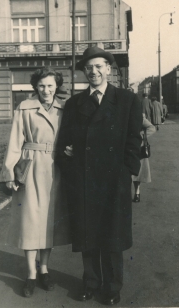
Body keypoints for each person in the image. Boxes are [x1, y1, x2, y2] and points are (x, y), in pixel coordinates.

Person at [56, 46, 142, 305]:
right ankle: (90, 282)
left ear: (108, 68)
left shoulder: (127, 100)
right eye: (88, 68)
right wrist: (68, 158)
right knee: (88, 235)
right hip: (84, 180)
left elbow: (133, 142)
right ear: (84, 72)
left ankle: (113, 287)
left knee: (112, 236)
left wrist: (126, 173)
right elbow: (64, 143)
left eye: (98, 66)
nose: (93, 72)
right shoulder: (74, 104)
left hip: (114, 180)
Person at [0, 68, 70, 298]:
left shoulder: (65, 108)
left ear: (57, 86)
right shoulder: (25, 107)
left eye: (50, 85)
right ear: (35, 87)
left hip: (55, 168)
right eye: (41, 86)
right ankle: (30, 274)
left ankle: (44, 269)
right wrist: (10, 172)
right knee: (30, 221)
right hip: (29, 168)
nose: (46, 90)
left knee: (48, 221)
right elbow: (15, 142)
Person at [132, 114, 156, 202]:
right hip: (125, 147)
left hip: (138, 147)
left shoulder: (139, 116)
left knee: (138, 171)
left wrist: (140, 135)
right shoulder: (121, 114)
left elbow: (151, 128)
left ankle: (137, 192)